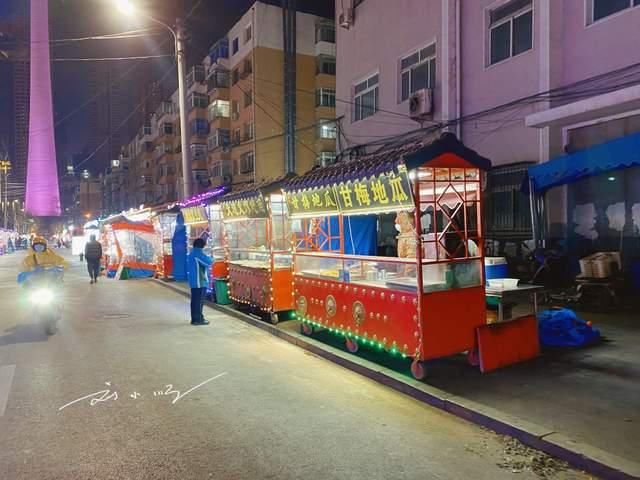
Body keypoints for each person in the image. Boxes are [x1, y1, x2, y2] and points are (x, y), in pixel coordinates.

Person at [186, 238, 213, 326]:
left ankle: (195, 318)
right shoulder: (198, 254)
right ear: (202, 246)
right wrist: (211, 257)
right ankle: (198, 319)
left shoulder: (192, 253)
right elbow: (209, 262)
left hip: (194, 281)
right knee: (199, 301)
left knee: (194, 301)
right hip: (199, 281)